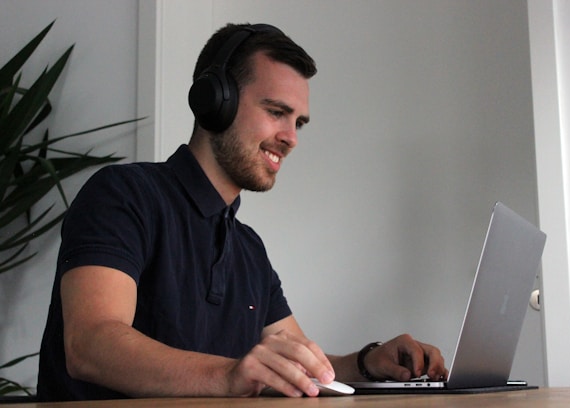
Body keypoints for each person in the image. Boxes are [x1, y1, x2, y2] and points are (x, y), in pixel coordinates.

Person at [37, 23, 447, 402]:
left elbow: (303, 368)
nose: (290, 138)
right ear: (215, 101)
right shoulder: (123, 195)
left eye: (298, 122)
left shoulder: (248, 249)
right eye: (275, 112)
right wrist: (230, 375)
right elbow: (90, 345)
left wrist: (367, 362)